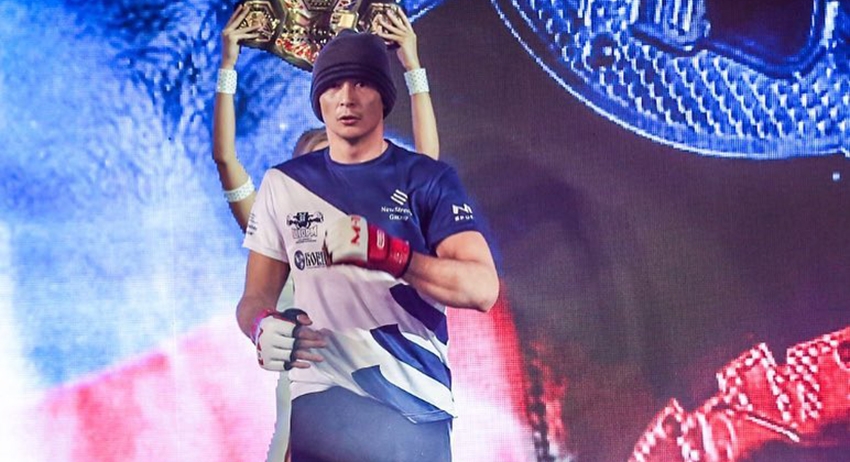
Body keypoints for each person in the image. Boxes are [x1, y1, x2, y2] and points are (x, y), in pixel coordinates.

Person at [235, 28, 499, 462]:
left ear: (383, 96)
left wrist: (391, 255)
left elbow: (482, 289)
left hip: (414, 408)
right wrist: (261, 326)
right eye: (333, 85)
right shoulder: (284, 184)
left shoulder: (426, 178)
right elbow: (254, 298)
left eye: (361, 82)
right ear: (318, 100)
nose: (347, 98)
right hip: (321, 409)